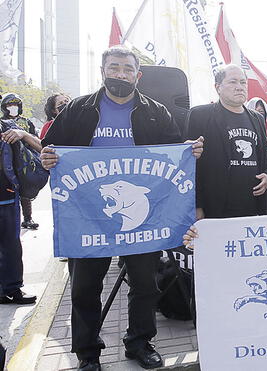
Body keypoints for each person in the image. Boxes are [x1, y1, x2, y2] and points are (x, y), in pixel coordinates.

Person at [40, 45, 203, 371]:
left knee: (145, 285)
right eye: (114, 68)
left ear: (137, 75)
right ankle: (88, 354)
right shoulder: (78, 110)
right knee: (85, 288)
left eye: (128, 70)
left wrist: (187, 151)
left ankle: (139, 343)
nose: (121, 75)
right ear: (103, 71)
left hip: (143, 219)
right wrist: (47, 158)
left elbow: (172, 154)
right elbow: (51, 149)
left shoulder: (156, 112)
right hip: (88, 216)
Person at [186, 64, 267, 220]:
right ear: (218, 87)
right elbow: (191, 166)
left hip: (251, 208)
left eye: (243, 82)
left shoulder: (256, 118)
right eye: (233, 82)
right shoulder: (200, 115)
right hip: (214, 209)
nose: (239, 87)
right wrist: (197, 205)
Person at [0, 119, 41, 305]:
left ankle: (13, 288)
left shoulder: (8, 127)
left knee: (12, 246)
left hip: (7, 196)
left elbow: (43, 147)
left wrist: (22, 134)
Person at [1, 93, 39, 230]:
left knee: (25, 190)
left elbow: (36, 140)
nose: (13, 107)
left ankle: (27, 218)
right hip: (7, 160)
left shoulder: (27, 122)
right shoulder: (2, 122)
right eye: (10, 105)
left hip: (24, 160)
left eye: (16, 104)